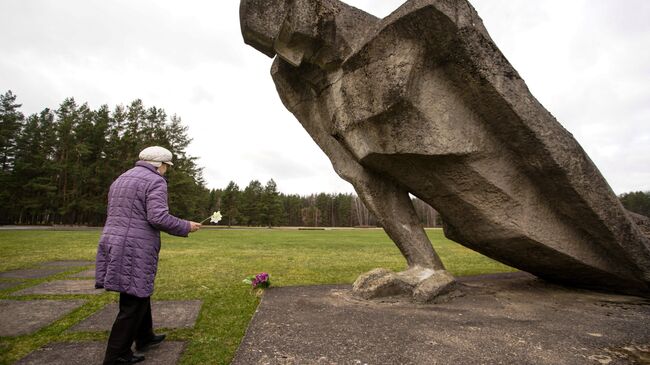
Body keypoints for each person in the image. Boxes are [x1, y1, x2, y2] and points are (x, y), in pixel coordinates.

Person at [95, 146, 202, 364]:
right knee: (132, 302)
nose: (166, 171)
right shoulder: (155, 181)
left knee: (139, 290)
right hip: (134, 245)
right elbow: (158, 217)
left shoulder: (122, 178)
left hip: (114, 241)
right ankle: (116, 355)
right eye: (167, 167)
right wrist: (185, 226)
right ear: (160, 164)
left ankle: (145, 336)